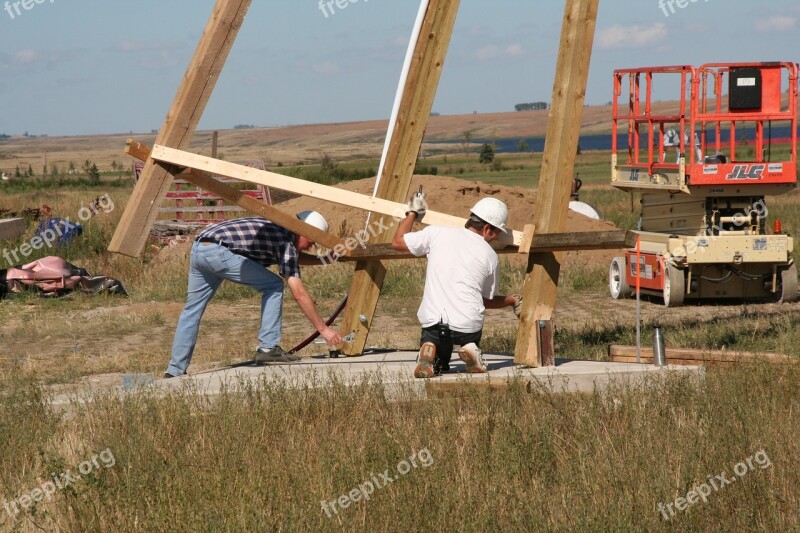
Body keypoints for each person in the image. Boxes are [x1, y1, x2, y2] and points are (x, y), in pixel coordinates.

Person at [164, 212, 342, 378]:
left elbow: (291, 257)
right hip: (220, 252)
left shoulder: (278, 229)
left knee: (192, 311)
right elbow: (299, 294)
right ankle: (267, 348)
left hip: (200, 248)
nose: (311, 247)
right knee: (273, 285)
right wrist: (323, 329)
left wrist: (324, 259)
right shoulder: (285, 241)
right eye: (312, 242)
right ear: (303, 231)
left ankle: (175, 371)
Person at [391, 195, 522, 378]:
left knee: (439, 363)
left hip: (434, 324)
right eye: (498, 232)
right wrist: (511, 300)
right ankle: (470, 349)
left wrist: (412, 212)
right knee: (468, 329)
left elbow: (398, 242)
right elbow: (485, 301)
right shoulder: (490, 256)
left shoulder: (436, 233)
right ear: (487, 229)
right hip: (467, 328)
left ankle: (433, 355)